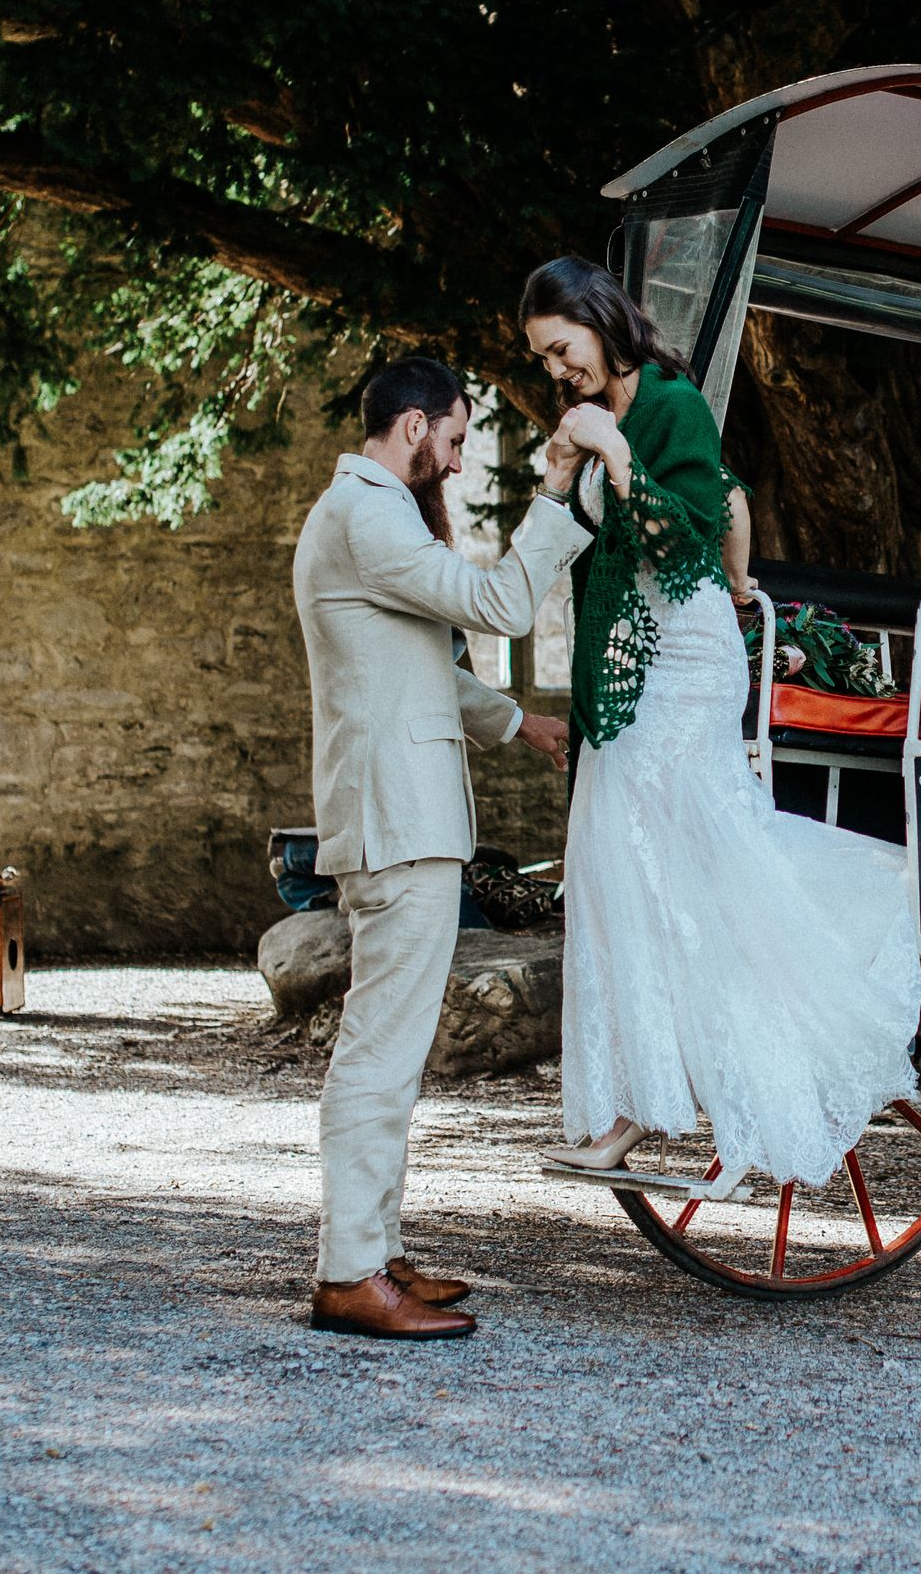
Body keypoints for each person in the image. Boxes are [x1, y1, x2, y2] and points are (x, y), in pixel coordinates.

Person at [517, 256, 921, 1199]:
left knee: (643, 846)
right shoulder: (602, 414)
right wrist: (568, 463)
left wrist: (615, 456)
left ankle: (668, 1083)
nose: (556, 371)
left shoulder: (669, 404)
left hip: (682, 660)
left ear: (599, 320)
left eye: (560, 349)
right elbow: (729, 505)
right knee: (620, 859)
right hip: (633, 657)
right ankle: (639, 1090)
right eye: (541, 360)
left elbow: (694, 522)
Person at [296, 356, 590, 1340]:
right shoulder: (367, 514)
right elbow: (502, 606)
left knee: (392, 1045)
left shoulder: (365, 518)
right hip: (394, 822)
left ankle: (372, 1251)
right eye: (458, 440)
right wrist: (555, 495)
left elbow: (427, 663)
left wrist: (518, 723)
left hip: (402, 816)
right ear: (414, 425)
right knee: (379, 1049)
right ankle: (348, 1272)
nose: (462, 462)